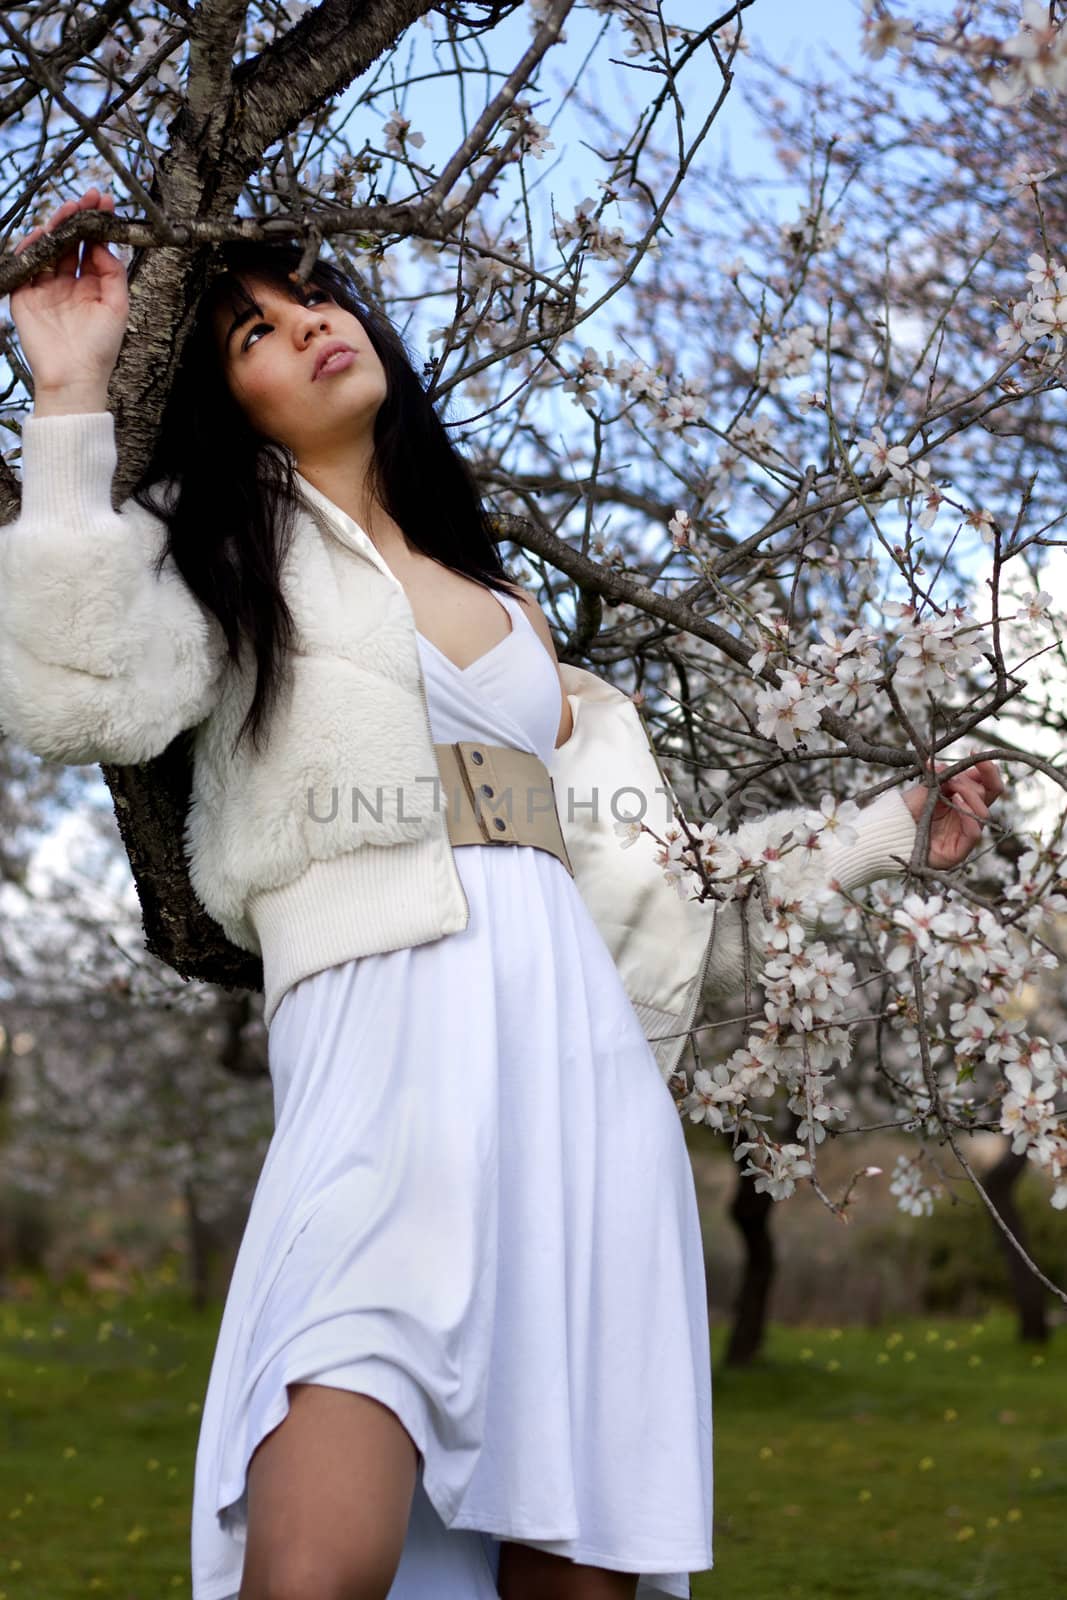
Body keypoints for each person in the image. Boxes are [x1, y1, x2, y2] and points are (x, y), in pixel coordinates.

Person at [4, 188, 1004, 1600]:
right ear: (231, 403)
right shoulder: (225, 556)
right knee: (316, 1559)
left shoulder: (520, 617)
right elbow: (73, 687)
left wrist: (888, 830)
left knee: (569, 1570)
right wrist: (68, 386)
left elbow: (672, 899)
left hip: (574, 1088)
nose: (309, 330)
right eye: (256, 335)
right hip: (376, 1062)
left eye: (314, 302)